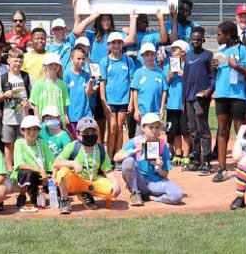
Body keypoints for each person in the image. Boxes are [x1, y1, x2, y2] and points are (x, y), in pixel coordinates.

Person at [211, 20, 246, 183]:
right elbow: (216, 75)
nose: (217, 37)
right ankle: (222, 169)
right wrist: (213, 67)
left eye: (219, 34)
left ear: (228, 35)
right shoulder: (220, 51)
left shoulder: (242, 50)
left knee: (241, 132)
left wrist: (236, 67)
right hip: (222, 95)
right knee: (222, 130)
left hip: (237, 96)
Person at [53, 117, 121, 214]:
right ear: (78, 134)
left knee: (113, 191)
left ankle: (85, 193)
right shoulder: (73, 146)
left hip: (93, 181)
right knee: (63, 172)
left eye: (93, 132)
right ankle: (64, 201)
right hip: (76, 180)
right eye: (86, 133)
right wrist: (73, 163)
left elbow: (108, 170)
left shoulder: (100, 149)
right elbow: (56, 163)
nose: (91, 135)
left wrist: (115, 183)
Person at [115, 113, 184, 206]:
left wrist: (158, 167)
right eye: (151, 127)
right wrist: (135, 150)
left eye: (157, 127)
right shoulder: (136, 141)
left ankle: (149, 197)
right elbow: (116, 157)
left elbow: (165, 174)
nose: (154, 131)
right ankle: (135, 193)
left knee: (177, 195)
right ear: (143, 128)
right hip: (140, 181)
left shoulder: (162, 146)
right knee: (128, 161)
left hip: (156, 182)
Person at [99, 32, 136, 163]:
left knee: (120, 127)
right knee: (112, 127)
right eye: (113, 43)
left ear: (122, 44)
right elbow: (102, 83)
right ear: (109, 45)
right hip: (110, 100)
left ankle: (117, 157)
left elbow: (132, 82)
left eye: (119, 42)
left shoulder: (128, 60)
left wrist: (131, 101)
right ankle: (108, 158)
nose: (116, 45)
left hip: (124, 99)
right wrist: (104, 101)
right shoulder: (105, 61)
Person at [0, 48, 33, 172]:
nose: (17, 63)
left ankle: (21, 166)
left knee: (22, 144)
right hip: (8, 117)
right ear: (9, 60)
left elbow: (34, 96)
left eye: (20, 61)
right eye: (15, 60)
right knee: (8, 144)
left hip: (24, 117)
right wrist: (5, 95)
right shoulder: (3, 78)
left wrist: (29, 104)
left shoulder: (27, 77)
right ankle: (9, 168)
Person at [182, 27, 214, 172]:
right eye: (193, 39)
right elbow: (185, 78)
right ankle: (195, 159)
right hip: (189, 98)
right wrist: (183, 99)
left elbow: (213, 77)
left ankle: (206, 161)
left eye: (198, 39)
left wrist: (208, 91)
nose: (195, 41)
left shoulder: (208, 55)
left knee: (203, 129)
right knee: (193, 130)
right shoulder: (188, 56)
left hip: (201, 98)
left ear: (203, 40)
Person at [12, 115, 57, 212]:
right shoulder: (19, 143)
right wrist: (41, 171)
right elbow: (21, 165)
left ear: (39, 131)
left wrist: (52, 179)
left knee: (58, 187)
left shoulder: (42, 143)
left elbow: (53, 164)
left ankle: (37, 195)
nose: (32, 132)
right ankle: (22, 195)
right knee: (27, 173)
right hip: (27, 175)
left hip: (42, 176)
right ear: (22, 130)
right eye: (29, 129)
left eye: (35, 129)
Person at [164, 40, 190, 165]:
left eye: (175, 50)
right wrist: (169, 77)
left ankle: (186, 154)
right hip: (171, 103)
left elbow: (192, 81)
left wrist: (183, 74)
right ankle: (177, 153)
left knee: (185, 130)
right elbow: (165, 84)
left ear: (183, 52)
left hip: (184, 103)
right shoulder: (168, 66)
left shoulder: (189, 65)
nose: (172, 52)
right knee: (174, 130)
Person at [130, 43, 168, 129]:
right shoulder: (138, 72)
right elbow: (135, 91)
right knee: (141, 136)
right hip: (142, 111)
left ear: (155, 55)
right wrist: (136, 109)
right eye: (147, 55)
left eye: (152, 54)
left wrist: (162, 109)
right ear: (142, 56)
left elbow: (164, 91)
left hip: (156, 111)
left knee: (154, 135)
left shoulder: (160, 72)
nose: (149, 57)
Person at [63, 47, 96, 136]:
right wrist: (65, 114)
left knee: (86, 139)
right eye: (78, 58)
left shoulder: (86, 75)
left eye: (83, 59)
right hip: (72, 114)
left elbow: (88, 94)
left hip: (85, 113)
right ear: (71, 58)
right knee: (74, 140)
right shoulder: (66, 75)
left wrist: (90, 83)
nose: (81, 61)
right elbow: (64, 96)